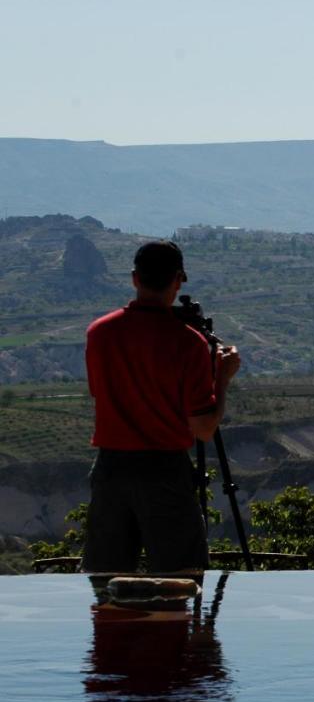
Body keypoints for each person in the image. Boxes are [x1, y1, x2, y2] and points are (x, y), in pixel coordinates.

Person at [82, 241, 241, 592]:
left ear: (134, 278)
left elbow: (100, 393)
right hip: (164, 473)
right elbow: (203, 428)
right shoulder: (188, 344)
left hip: (110, 470)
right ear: (178, 281)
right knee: (181, 583)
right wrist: (221, 378)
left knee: (103, 586)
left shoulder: (99, 333)